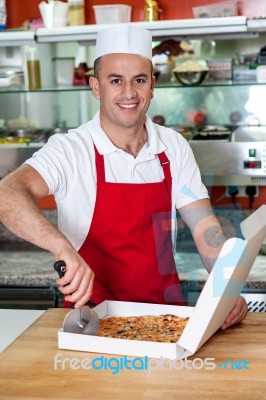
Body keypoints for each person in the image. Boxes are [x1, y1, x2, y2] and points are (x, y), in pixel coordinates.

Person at [0, 25, 247, 329]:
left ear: (152, 86)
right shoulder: (71, 150)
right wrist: (61, 248)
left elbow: (206, 230)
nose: (129, 93)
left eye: (139, 80)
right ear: (96, 87)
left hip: (166, 320)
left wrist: (227, 283)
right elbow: (6, 194)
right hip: (92, 321)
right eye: (115, 80)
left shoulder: (173, 147)